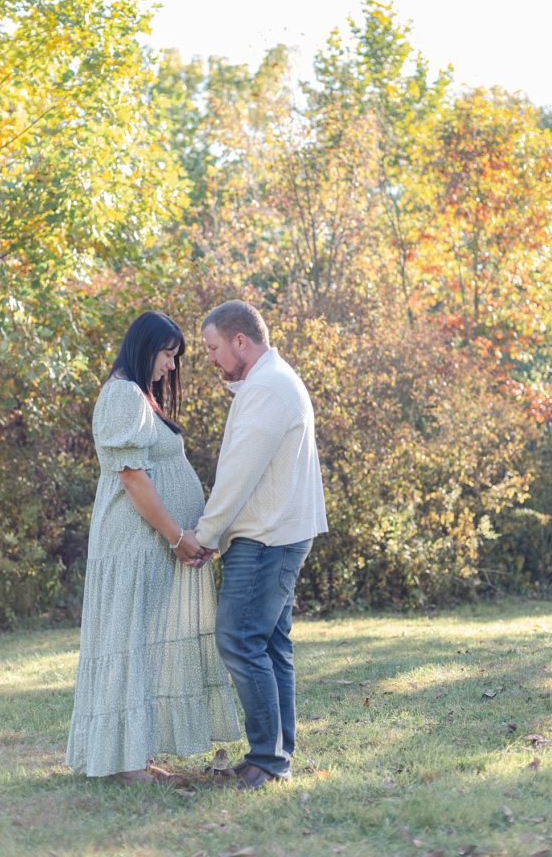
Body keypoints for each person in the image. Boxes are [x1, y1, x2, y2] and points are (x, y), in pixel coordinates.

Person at [65, 311, 239, 783]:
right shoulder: (123, 394)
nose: (170, 367)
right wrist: (177, 536)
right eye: (167, 355)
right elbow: (133, 478)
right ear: (146, 348)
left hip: (149, 545)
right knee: (129, 644)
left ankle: (131, 756)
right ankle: (121, 765)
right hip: (135, 544)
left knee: (141, 647)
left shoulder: (136, 395)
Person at [187, 300, 327, 790]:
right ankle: (275, 755)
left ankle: (268, 759)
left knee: (239, 640)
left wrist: (204, 536)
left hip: (266, 539)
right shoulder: (268, 381)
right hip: (279, 534)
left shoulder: (268, 387)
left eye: (213, 348)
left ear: (240, 341)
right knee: (269, 644)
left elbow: (238, 474)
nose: (211, 358)